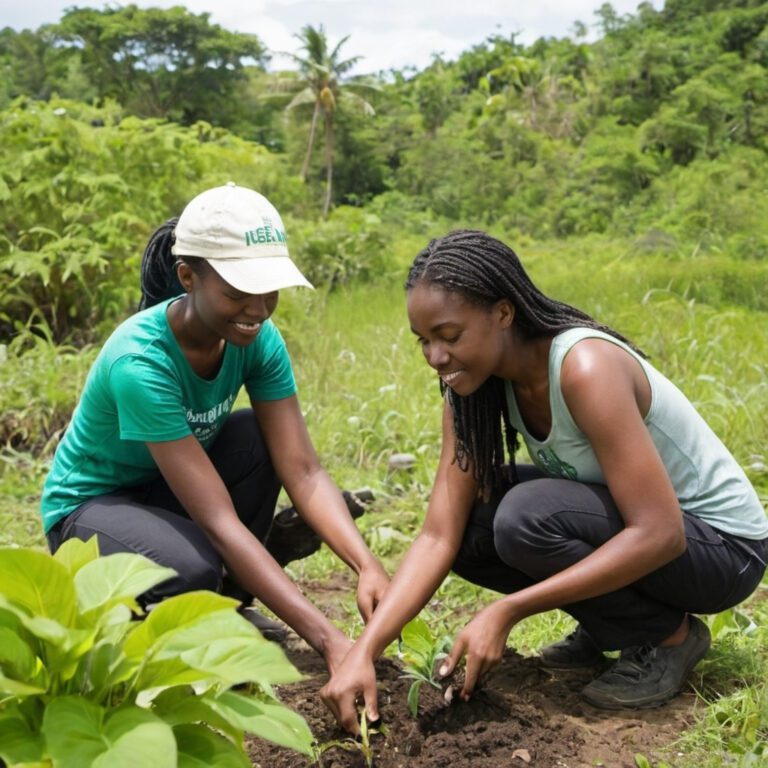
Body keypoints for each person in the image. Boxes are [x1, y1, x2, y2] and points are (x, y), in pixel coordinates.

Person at [321, 229, 768, 731]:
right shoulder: (473, 387)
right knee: (474, 524)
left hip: (723, 549)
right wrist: (364, 650)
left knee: (526, 516)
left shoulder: (585, 367)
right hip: (660, 536)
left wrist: (508, 611)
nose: (435, 356)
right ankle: (612, 623)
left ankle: (668, 637)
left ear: (504, 314)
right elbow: (438, 534)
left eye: (449, 336)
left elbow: (661, 533)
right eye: (424, 341)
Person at [40, 182, 389, 673]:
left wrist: (366, 565)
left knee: (260, 441)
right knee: (191, 569)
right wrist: (331, 642)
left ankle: (227, 605)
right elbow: (219, 522)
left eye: (268, 290)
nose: (257, 307)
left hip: (166, 491)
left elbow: (304, 471)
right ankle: (137, 622)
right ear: (188, 277)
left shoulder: (256, 339)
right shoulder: (140, 361)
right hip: (92, 510)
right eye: (237, 292)